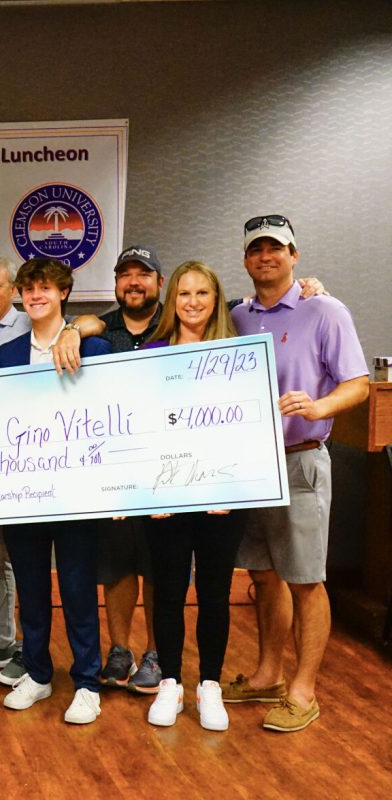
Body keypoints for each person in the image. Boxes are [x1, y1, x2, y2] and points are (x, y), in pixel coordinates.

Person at [225, 215, 368, 732]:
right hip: (250, 466)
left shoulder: (324, 309)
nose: (267, 256)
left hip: (301, 459)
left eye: (277, 248)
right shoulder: (237, 316)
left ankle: (304, 690)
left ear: (294, 255)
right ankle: (268, 674)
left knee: (306, 578)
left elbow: (358, 384)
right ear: (245, 259)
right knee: (265, 576)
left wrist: (320, 405)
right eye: (256, 249)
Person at [0, 257, 111, 725]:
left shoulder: (95, 346)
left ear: (64, 292)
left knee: (80, 588)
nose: (36, 296)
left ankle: (87, 682)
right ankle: (39, 673)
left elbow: (109, 416)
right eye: (28, 289)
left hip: (76, 491)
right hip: (23, 491)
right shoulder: (8, 353)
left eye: (45, 288)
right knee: (31, 586)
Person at [138, 261, 244, 730]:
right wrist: (145, 492)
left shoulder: (237, 354)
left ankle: (210, 687)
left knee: (216, 593)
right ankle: (171, 684)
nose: (193, 301)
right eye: (184, 293)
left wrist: (232, 482)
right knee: (169, 592)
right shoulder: (153, 352)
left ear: (216, 299)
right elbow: (140, 425)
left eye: (203, 293)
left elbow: (246, 425)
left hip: (222, 494)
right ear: (172, 300)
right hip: (166, 494)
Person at [96, 245, 165, 693]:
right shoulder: (98, 329)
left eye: (144, 274)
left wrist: (310, 289)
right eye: (126, 274)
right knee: (117, 565)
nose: (134, 282)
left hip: (167, 466)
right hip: (114, 468)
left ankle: (157, 654)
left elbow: (234, 307)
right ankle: (120, 650)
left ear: (160, 282)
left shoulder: (179, 322)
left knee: (161, 564)